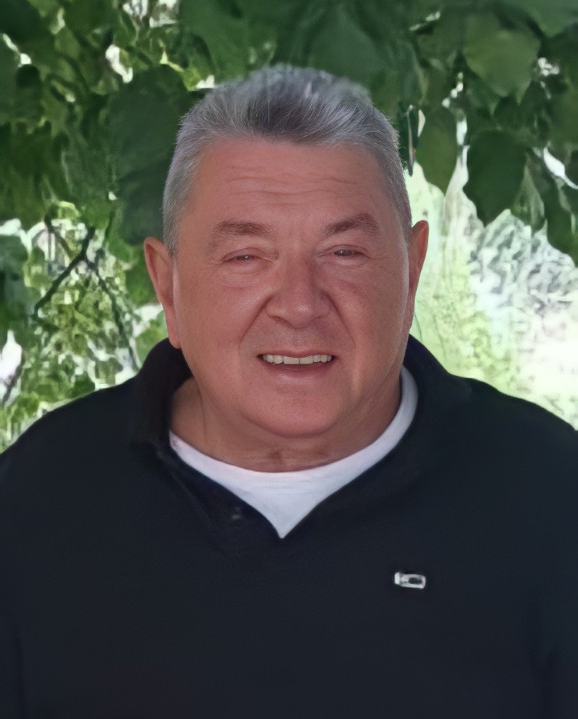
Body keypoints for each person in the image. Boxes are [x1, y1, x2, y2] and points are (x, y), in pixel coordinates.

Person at [0, 66, 577, 719]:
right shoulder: (38, 498)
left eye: (344, 253)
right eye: (246, 257)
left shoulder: (551, 493)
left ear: (412, 269)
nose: (300, 305)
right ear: (168, 287)